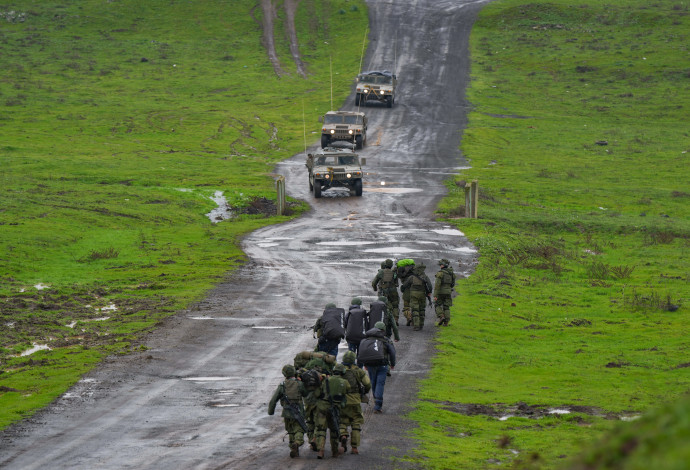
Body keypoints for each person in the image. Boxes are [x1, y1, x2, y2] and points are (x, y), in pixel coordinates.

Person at [268, 364, 309, 458]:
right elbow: (305, 394)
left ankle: (293, 448)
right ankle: (297, 442)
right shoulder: (299, 384)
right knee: (299, 429)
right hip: (298, 411)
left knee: (290, 431)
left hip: (286, 412)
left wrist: (271, 411)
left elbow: (273, 400)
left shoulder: (282, 385)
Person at [358, 321, 396, 413]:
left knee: (373, 383)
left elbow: (362, 352)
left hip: (370, 364)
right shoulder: (386, 340)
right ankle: (378, 405)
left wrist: (365, 364)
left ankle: (376, 400)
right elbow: (392, 352)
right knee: (380, 383)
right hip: (382, 365)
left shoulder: (367, 339)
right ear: (383, 329)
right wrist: (392, 364)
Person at [314, 364, 350, 459]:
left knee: (321, 430)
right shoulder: (345, 382)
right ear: (343, 372)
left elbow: (317, 393)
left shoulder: (326, 380)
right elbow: (346, 393)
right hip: (335, 409)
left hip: (322, 408)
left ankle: (320, 450)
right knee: (334, 431)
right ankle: (334, 452)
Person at [339, 350, 371, 455]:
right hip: (355, 400)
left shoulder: (339, 370)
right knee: (356, 423)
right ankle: (354, 447)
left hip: (342, 400)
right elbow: (367, 383)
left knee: (342, 420)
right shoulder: (358, 371)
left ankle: (343, 435)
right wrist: (363, 392)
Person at [402, 263, 432, 331]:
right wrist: (429, 292)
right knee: (422, 309)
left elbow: (405, 285)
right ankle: (421, 324)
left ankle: (416, 325)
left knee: (415, 309)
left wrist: (403, 289)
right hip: (422, 294)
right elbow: (430, 286)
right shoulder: (425, 277)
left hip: (413, 294)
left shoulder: (412, 277)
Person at [371, 259, 400, 324]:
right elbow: (397, 283)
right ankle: (395, 319)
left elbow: (374, 282)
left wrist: (375, 288)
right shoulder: (394, 272)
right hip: (393, 291)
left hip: (384, 291)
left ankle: (386, 318)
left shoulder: (381, 272)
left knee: (385, 305)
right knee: (395, 305)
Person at [434, 258, 456, 326]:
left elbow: (437, 285)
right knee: (446, 307)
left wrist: (435, 295)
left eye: (440, 265)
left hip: (440, 292)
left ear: (442, 265)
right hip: (448, 292)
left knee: (437, 304)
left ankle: (441, 316)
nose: (440, 266)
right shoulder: (451, 273)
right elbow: (452, 284)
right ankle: (446, 322)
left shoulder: (440, 273)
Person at [396, 259, 415, 326]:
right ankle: (414, 320)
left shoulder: (402, 270)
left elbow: (398, 275)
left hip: (407, 290)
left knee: (406, 306)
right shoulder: (414, 269)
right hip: (415, 290)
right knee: (415, 306)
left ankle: (409, 317)